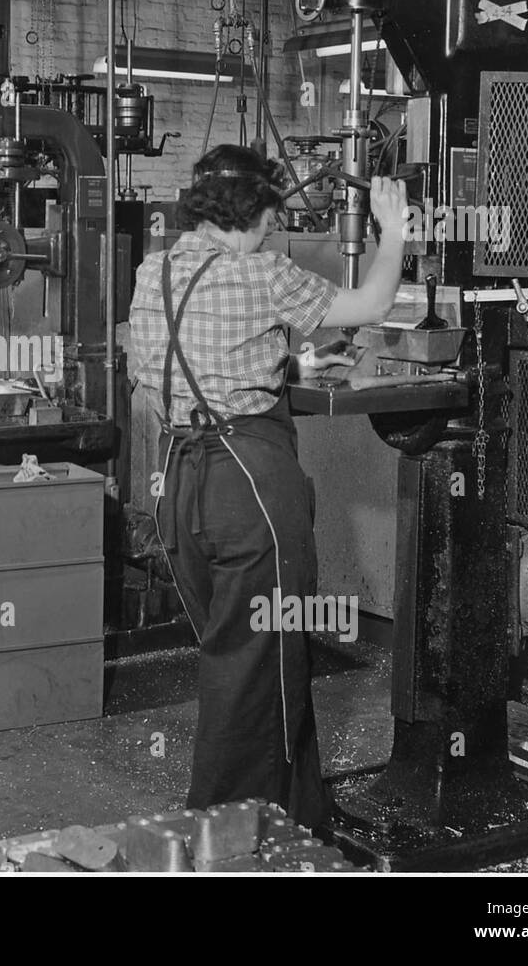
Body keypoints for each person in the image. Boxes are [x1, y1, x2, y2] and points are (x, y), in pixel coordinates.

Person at [127, 144, 408, 827]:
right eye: (272, 213)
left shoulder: (153, 270)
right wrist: (394, 232)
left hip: (176, 488)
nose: (276, 226)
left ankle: (299, 813)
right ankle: (231, 830)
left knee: (249, 654)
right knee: (255, 667)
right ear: (252, 211)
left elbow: (156, 373)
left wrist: (273, 355)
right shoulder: (262, 273)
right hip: (247, 485)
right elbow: (372, 302)